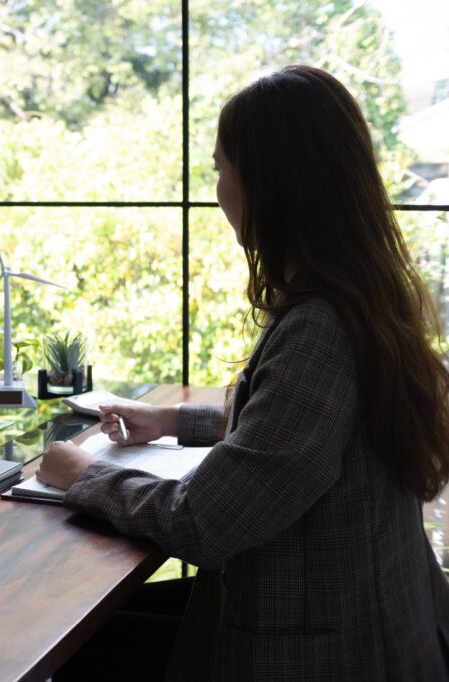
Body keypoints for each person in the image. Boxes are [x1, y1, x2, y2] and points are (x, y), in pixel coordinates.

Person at [38, 65, 449, 679]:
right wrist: (173, 419)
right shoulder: (367, 297)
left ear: (267, 183)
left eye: (220, 169)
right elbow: (307, 438)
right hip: (381, 622)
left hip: (321, 654)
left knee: (73, 643)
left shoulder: (319, 331)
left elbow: (203, 523)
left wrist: (83, 475)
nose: (217, 190)